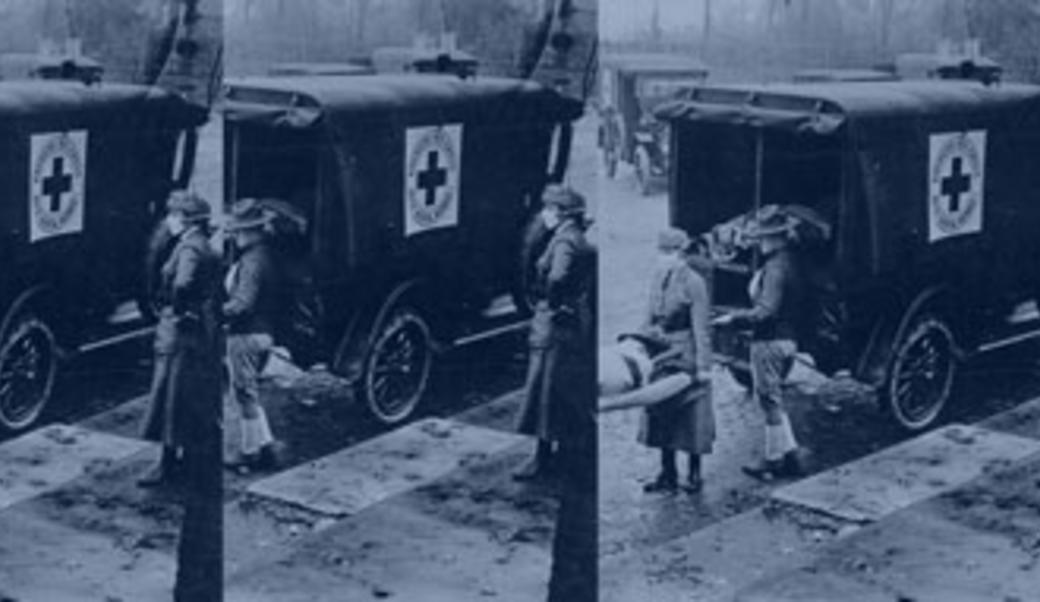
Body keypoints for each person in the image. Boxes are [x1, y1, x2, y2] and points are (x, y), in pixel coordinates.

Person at [138, 191, 223, 490]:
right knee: (187, 394)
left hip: (179, 332)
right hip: (198, 330)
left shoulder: (189, 248)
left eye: (173, 215)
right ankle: (185, 457)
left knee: (169, 395)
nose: (169, 220)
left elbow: (182, 283)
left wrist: (174, 308)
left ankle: (166, 462)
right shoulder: (203, 245)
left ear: (187, 220)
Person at [714, 211, 806, 481]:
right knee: (773, 399)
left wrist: (733, 318)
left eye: (764, 238)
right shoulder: (793, 262)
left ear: (777, 238)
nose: (760, 242)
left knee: (769, 403)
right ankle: (791, 456)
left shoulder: (775, 268)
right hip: (789, 339)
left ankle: (772, 459)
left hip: (769, 341)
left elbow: (766, 310)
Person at [514, 185, 596, 482]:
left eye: (549, 209)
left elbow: (558, 276)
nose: (544, 214)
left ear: (562, 213)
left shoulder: (564, 241)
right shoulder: (576, 237)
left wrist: (549, 301)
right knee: (562, 388)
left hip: (555, 323)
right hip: (572, 322)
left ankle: (542, 457)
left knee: (545, 390)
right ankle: (562, 451)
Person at [636, 227, 715, 494]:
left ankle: (694, 473)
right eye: (661, 251)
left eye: (669, 251)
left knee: (691, 417)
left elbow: (701, 328)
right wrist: (640, 341)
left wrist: (703, 366)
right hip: (661, 352)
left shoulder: (694, 282)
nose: (664, 256)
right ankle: (667, 473)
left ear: (682, 253)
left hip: (685, 353)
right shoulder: (659, 275)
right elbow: (649, 314)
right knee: (660, 414)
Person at [223, 198, 282, 474]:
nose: (234, 235)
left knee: (244, 395)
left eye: (238, 230)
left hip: (245, 336)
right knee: (251, 394)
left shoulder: (251, 261)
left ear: (251, 230)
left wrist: (215, 310)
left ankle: (249, 454)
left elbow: (242, 304)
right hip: (264, 332)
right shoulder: (267, 254)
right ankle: (267, 447)